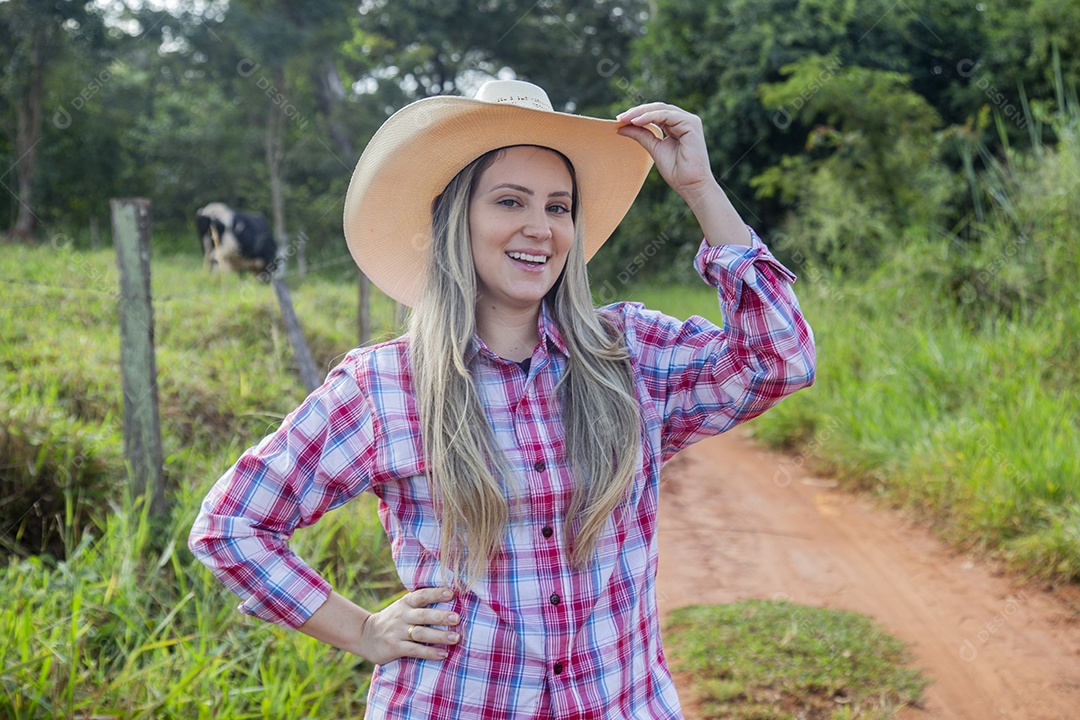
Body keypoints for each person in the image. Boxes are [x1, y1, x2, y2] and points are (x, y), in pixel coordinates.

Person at [189, 79, 816, 719]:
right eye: (510, 201)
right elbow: (232, 525)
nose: (539, 228)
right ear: (455, 216)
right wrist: (363, 632)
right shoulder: (387, 385)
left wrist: (700, 190)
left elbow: (782, 360)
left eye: (559, 207)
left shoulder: (628, 354)